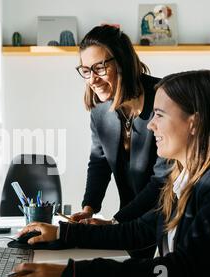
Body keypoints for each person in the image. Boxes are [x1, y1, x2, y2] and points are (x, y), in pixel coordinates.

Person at [2, 70, 210, 277]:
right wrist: (63, 233)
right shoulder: (183, 179)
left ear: (194, 122)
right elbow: (138, 231)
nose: (150, 125)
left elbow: (176, 274)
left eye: (160, 115)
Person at [71, 25, 169, 229]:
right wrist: (89, 208)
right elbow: (99, 163)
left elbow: (162, 179)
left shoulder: (164, 99)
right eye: (86, 70)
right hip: (129, 218)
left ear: (122, 63)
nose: (92, 79)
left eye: (99, 68)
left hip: (166, 218)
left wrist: (115, 222)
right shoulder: (99, 112)